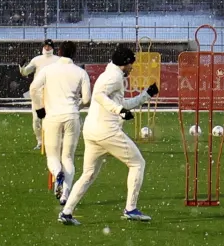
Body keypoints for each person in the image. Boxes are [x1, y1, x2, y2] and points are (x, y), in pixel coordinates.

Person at [59, 43, 158, 224]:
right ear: (124, 63)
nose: (132, 67)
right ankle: (131, 208)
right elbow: (98, 95)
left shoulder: (112, 74)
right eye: (131, 64)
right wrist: (119, 110)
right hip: (106, 131)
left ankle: (66, 212)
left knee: (88, 174)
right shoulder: (114, 77)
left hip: (92, 131)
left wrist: (146, 95)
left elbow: (121, 103)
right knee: (138, 164)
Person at [30, 41, 90, 203]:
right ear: (75, 53)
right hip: (72, 116)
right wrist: (76, 107)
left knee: (52, 156)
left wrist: (40, 108)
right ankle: (65, 195)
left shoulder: (49, 70)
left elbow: (33, 88)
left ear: (60, 51)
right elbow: (87, 99)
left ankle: (57, 174)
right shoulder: (80, 72)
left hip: (52, 116)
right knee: (68, 158)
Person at [19, 39, 60, 151]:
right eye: (46, 46)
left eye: (49, 46)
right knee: (36, 120)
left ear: (53, 48)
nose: (47, 48)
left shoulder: (58, 60)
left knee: (52, 120)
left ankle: (53, 142)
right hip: (37, 95)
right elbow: (25, 72)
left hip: (52, 94)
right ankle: (40, 142)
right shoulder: (37, 60)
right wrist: (21, 67)